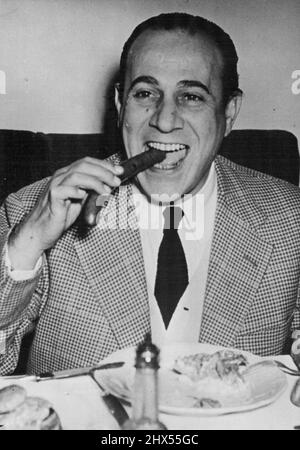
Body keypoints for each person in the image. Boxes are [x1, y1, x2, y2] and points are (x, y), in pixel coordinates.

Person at [0, 13, 300, 375]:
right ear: (119, 103)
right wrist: (29, 240)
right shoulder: (31, 209)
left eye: (191, 96)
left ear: (230, 111)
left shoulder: (288, 217)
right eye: (145, 93)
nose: (165, 120)